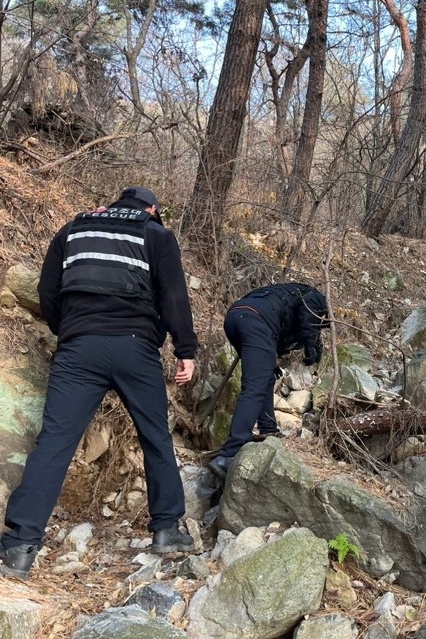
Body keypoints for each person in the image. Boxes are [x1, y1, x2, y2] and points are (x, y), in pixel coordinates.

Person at [0, 185, 198, 581]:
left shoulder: (73, 229)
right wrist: (185, 350)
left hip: (78, 349)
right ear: (152, 209)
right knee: (155, 437)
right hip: (135, 349)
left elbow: (47, 291)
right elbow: (174, 296)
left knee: (54, 441)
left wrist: (69, 330)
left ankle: (20, 546)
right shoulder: (155, 234)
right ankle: (166, 530)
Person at [208, 282, 328, 479]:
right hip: (257, 323)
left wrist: (270, 357)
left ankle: (268, 430)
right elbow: (307, 317)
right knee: (254, 387)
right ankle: (228, 455)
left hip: (235, 318)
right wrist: (312, 344)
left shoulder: (283, 292)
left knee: (265, 379)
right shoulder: (316, 297)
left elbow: (278, 320)